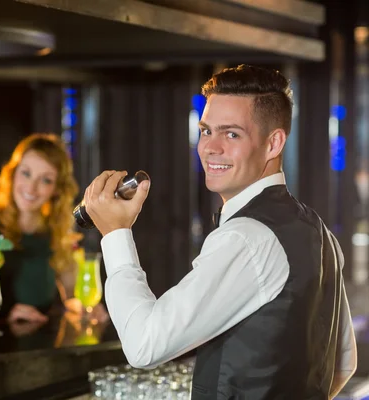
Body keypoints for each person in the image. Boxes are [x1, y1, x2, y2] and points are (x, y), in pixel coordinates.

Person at [83, 65, 356, 399]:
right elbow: (341, 365)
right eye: (205, 130)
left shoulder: (245, 238)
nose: (210, 148)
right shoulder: (317, 228)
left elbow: (144, 345)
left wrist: (115, 232)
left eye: (231, 134)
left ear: (273, 143)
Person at [0, 133, 108, 325]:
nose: (31, 188)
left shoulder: (57, 234)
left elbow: (73, 294)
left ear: (57, 189)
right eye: (26, 173)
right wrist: (3, 316)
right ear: (13, 174)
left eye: (45, 180)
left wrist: (85, 308)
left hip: (36, 345)